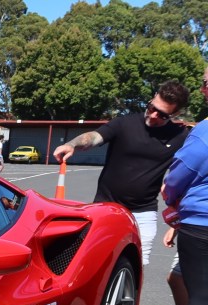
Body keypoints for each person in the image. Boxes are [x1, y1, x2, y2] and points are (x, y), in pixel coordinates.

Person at [52, 80, 190, 267]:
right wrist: (72, 144)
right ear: (152, 98)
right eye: (151, 107)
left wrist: (177, 217)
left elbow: (191, 171)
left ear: (176, 114)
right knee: (91, 262)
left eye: (162, 115)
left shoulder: (180, 137)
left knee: (134, 268)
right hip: (105, 207)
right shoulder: (124, 123)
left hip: (143, 214)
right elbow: (93, 137)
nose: (153, 115)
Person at [160, 71, 208, 305]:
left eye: (205, 83)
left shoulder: (204, 132)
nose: (202, 89)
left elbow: (179, 175)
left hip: (202, 222)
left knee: (201, 294)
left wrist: (170, 196)